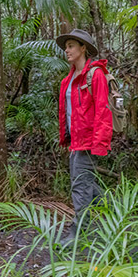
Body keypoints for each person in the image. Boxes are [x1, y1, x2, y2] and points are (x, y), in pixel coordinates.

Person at [56, 29, 113, 244]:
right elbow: (68, 112)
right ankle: (117, 213)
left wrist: (99, 143)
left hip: (89, 142)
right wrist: (66, 138)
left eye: (71, 45)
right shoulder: (68, 80)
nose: (67, 50)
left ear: (83, 48)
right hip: (76, 141)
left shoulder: (95, 75)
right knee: (86, 183)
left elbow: (103, 110)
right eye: (66, 46)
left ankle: (79, 233)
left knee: (80, 185)